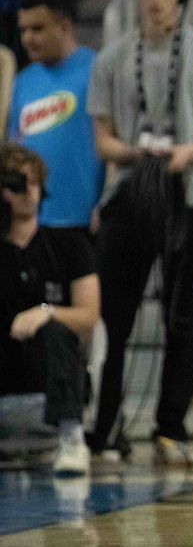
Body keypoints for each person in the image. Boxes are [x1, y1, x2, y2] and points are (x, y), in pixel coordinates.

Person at [88, 0, 193, 465]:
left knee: (184, 317)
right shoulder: (111, 58)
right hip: (130, 192)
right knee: (115, 314)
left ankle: (169, 429)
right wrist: (139, 155)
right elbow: (104, 141)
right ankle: (105, 428)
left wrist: (186, 153)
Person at [0, 144, 100, 475]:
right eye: (17, 183)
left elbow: (89, 315)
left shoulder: (69, 245)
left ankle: (71, 438)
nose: (29, 192)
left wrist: (48, 311)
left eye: (34, 182)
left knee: (59, 329)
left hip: (49, 372)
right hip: (7, 368)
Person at [8, 0, 102, 231]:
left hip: (83, 219)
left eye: (37, 28)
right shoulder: (22, 80)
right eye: (23, 30)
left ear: (64, 26)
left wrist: (105, 203)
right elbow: (15, 149)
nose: (28, 38)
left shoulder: (97, 71)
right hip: (33, 221)